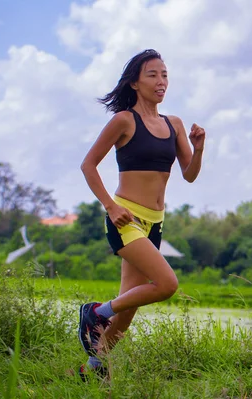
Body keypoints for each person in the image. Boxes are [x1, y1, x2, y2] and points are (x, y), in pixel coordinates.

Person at [77, 49, 205, 379]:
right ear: (135, 82)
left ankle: (93, 369)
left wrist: (199, 145)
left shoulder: (172, 123)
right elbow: (88, 165)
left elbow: (189, 174)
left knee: (130, 307)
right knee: (165, 284)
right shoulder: (123, 120)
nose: (161, 81)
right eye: (152, 75)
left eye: (164, 75)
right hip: (126, 218)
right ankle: (96, 312)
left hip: (156, 222)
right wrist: (111, 205)